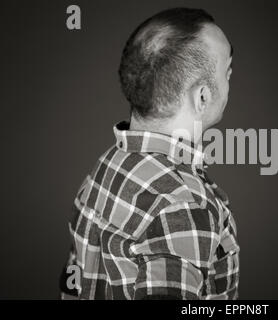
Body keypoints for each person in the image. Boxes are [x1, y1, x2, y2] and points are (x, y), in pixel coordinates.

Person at [60, 7, 239, 300]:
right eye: (227, 70)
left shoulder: (107, 165)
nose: (230, 79)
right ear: (203, 96)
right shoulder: (182, 206)